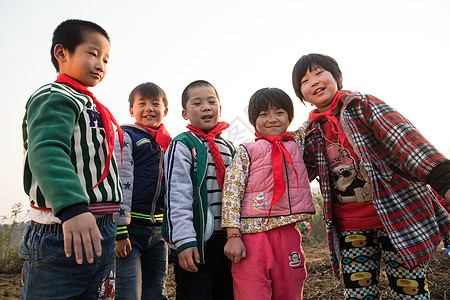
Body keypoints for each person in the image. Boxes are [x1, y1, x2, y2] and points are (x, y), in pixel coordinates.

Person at [291, 53, 450, 299]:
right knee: (359, 294)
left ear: (338, 77)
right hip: (351, 228)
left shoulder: (363, 106)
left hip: (397, 218)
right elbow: (298, 172)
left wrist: (443, 178)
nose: (313, 81)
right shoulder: (312, 132)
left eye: (319, 72)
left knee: (410, 291)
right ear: (302, 96)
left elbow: (404, 140)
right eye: (304, 80)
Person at [19, 19, 123, 300]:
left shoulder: (90, 104)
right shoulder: (54, 96)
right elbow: (47, 150)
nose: (100, 64)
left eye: (105, 59)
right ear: (62, 53)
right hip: (62, 227)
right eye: (92, 53)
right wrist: (72, 209)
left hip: (101, 228)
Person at [221, 87, 316, 300]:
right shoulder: (246, 151)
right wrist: (233, 236)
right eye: (264, 114)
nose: (272, 119)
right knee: (252, 291)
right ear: (254, 120)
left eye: (280, 112)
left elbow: (315, 121)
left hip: (288, 232)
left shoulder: (297, 144)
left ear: (290, 117)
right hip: (253, 236)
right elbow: (231, 194)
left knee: (290, 289)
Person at [162, 80, 235, 300]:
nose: (206, 107)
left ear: (220, 108)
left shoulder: (229, 147)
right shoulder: (182, 145)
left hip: (229, 241)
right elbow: (177, 196)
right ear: (185, 113)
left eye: (212, 102)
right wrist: (184, 242)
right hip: (197, 242)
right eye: (198, 103)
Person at [114, 82, 171, 300]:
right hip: (130, 230)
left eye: (155, 103)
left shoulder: (168, 143)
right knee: (128, 292)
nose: (149, 108)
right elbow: (121, 181)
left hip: (158, 232)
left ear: (165, 111)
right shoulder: (127, 137)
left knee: (156, 292)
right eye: (142, 103)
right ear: (132, 111)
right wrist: (120, 231)